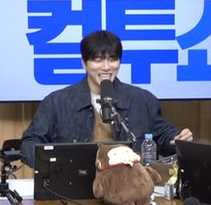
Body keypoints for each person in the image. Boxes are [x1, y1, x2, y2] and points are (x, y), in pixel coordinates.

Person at [21, 30, 193, 168]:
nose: (106, 67)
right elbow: (30, 143)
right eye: (98, 60)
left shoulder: (141, 99)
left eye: (113, 60)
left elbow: (164, 137)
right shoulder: (57, 102)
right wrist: (55, 165)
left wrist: (178, 139)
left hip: (130, 186)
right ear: (84, 63)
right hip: (73, 186)